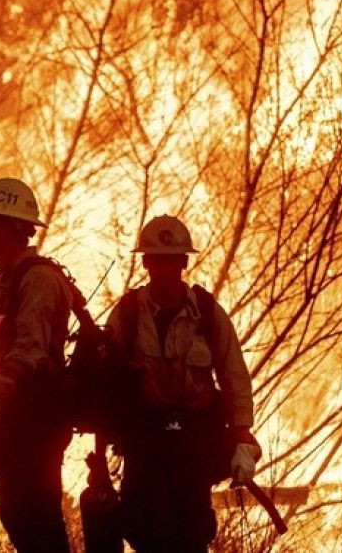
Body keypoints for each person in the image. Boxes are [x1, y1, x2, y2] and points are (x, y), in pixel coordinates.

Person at [105, 215, 261, 553]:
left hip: (193, 441)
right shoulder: (128, 314)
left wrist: (241, 436)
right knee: (142, 528)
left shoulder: (207, 313)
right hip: (144, 440)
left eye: (171, 260)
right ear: (145, 262)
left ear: (183, 262)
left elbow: (235, 377)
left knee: (191, 532)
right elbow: (105, 378)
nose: (163, 268)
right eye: (156, 260)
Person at [0, 177, 72, 553]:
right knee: (17, 516)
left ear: (8, 226)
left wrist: (7, 378)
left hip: (37, 415)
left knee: (37, 516)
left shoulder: (39, 279)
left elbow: (31, 345)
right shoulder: (6, 278)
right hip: (15, 414)